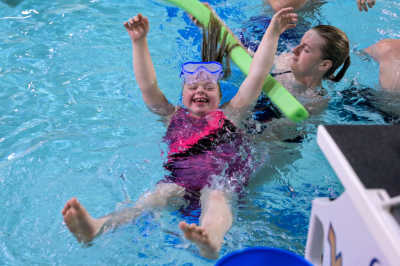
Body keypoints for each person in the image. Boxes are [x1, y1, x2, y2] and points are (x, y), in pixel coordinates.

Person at [62, 8, 298, 260]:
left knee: (217, 196)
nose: (200, 90)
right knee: (155, 197)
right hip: (180, 184)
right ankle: (98, 227)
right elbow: (147, 85)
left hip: (221, 182)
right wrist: (139, 41)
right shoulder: (172, 116)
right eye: (192, 86)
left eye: (209, 87)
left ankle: (210, 239)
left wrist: (272, 32)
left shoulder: (231, 115)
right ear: (183, 95)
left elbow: (257, 74)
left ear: (219, 97)